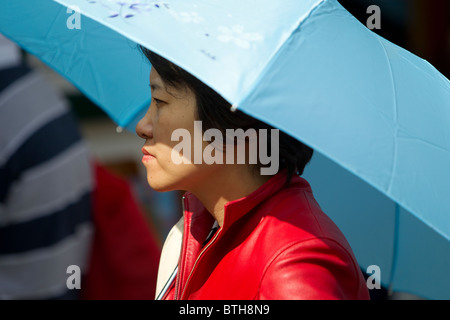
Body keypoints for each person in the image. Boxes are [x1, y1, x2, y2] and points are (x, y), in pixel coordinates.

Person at [136, 48, 370, 300]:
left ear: (230, 115)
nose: (143, 126)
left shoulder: (295, 264)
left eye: (160, 101)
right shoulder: (194, 229)